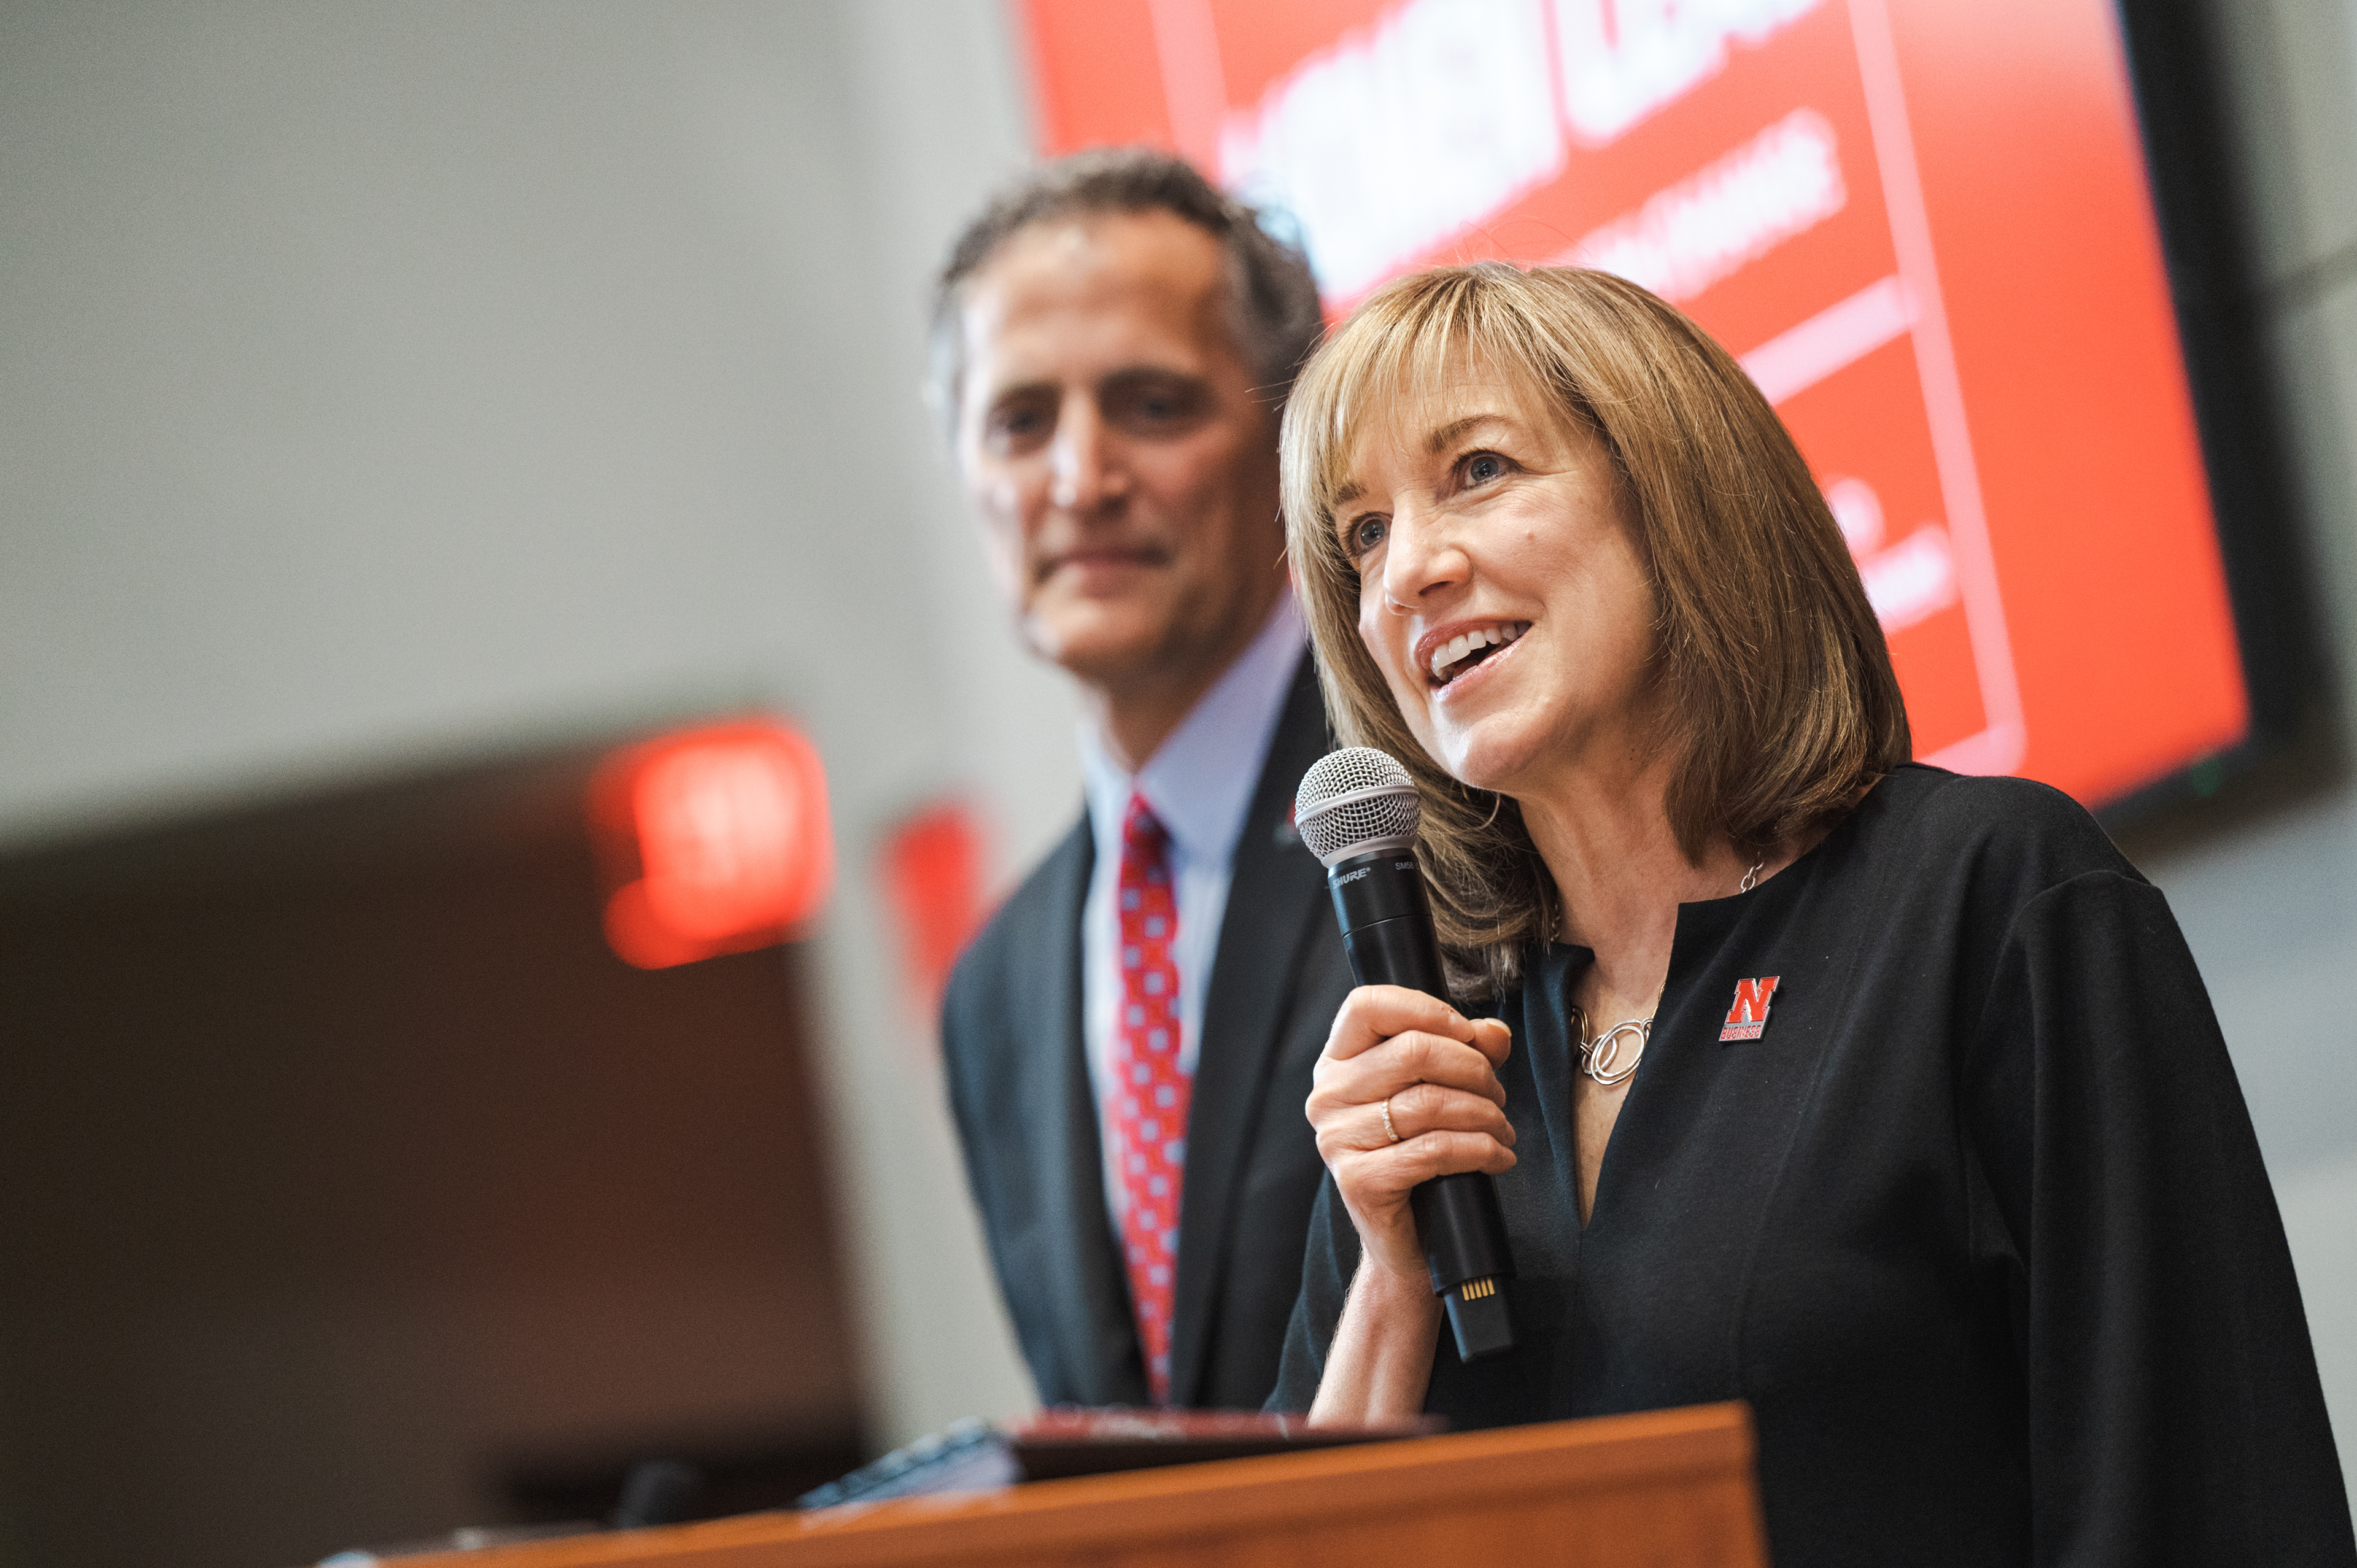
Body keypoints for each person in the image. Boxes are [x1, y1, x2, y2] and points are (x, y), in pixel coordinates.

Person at [1269, 262, 2355, 1564]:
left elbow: (2196, 1496)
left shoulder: (1984, 900)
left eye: (1479, 471)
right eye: (1362, 534)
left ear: (1675, 493)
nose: (1407, 572)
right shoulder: (1427, 1058)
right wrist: (1391, 1287)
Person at [929, 149, 1352, 1410]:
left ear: (1291, 435)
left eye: (1153, 406)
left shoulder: (1440, 810)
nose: (1081, 482)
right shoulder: (994, 991)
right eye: (1020, 422)